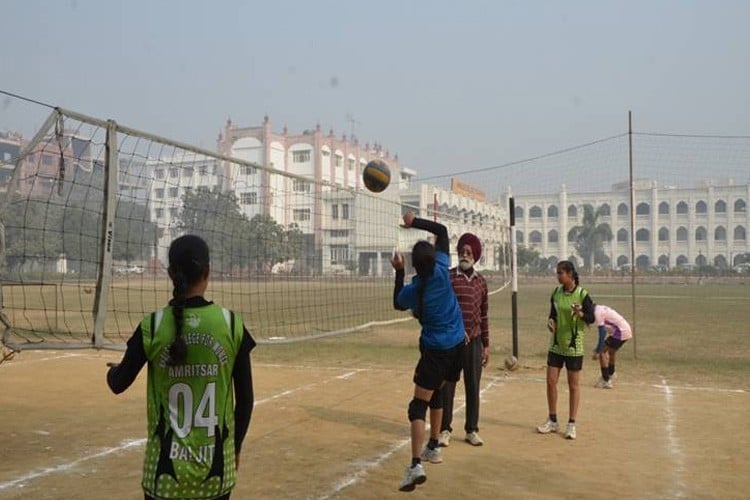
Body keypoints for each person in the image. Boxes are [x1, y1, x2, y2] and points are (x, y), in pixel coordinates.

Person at [106, 235, 255, 500]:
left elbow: (118, 384)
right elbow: (245, 401)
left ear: (171, 273)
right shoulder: (231, 325)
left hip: (164, 476)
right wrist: (237, 447)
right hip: (216, 474)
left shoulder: (152, 326)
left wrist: (114, 370)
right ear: (207, 271)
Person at [391, 212, 466, 492]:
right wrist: (414, 223)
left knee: (417, 406)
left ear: (415, 265)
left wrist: (399, 271)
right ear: (434, 259)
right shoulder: (443, 269)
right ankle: (433, 446)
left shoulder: (416, 288)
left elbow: (398, 304)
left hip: (436, 352)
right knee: (437, 394)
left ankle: (414, 465)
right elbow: (443, 230)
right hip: (458, 346)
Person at [438, 232, 489, 448]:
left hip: (474, 341)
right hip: (452, 340)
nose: (464, 255)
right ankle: (444, 429)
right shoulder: (449, 277)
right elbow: (443, 307)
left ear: (475, 256)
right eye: (461, 252)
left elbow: (484, 314)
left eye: (468, 252)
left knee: (473, 385)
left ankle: (472, 429)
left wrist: (486, 345)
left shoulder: (481, 282)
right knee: (447, 386)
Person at [536, 260, 594, 440]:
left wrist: (581, 314)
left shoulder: (582, 294)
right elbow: (552, 314)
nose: (557, 276)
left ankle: (571, 423)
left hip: (574, 347)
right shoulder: (556, 293)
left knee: (573, 385)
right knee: (551, 381)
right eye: (557, 273)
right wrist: (550, 322)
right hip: (556, 345)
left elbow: (591, 318)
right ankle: (552, 420)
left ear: (570, 274)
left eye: (560, 273)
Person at [592, 304, 632, 389]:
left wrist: (598, 350)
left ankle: (606, 380)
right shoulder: (600, 308)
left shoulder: (597, 313)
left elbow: (602, 333)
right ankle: (611, 373)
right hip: (625, 330)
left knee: (602, 351)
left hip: (620, 332)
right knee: (612, 351)